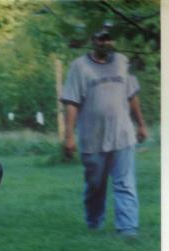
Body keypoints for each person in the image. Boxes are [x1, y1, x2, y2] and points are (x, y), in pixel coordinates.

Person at [61, 22, 148, 237]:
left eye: (109, 37)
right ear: (92, 39)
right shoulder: (79, 67)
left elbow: (132, 97)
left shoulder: (123, 62)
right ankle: (94, 222)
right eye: (100, 37)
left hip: (123, 135)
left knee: (125, 183)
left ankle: (128, 229)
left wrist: (141, 125)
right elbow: (71, 103)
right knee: (95, 186)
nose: (105, 41)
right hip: (92, 138)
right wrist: (69, 136)